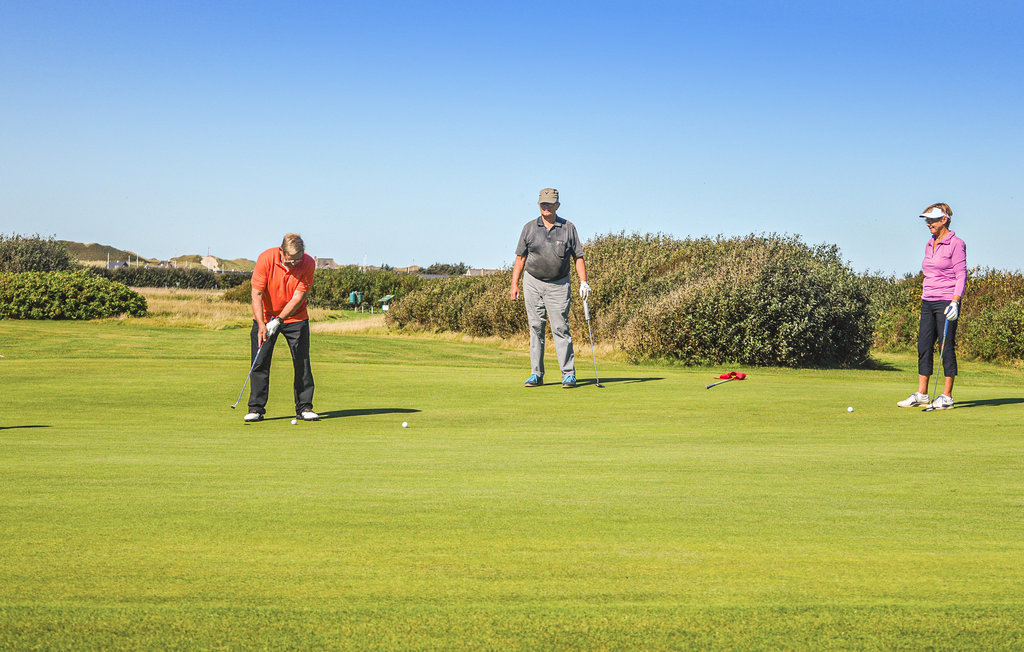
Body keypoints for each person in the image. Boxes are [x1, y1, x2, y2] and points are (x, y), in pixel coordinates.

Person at [510, 188, 591, 388]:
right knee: (536, 327)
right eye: (542, 204)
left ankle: (568, 374)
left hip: (559, 283)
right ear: (539, 205)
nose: (545, 207)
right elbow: (520, 258)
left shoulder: (568, 227)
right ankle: (536, 374)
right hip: (533, 282)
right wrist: (514, 284)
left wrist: (583, 282)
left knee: (560, 328)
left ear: (557, 206)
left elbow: (578, 257)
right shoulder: (529, 228)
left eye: (549, 204)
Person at [897, 203, 966, 410]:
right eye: (927, 220)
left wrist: (955, 300)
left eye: (932, 220)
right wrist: (923, 299)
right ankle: (922, 394)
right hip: (928, 301)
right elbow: (929, 274)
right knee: (924, 346)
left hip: (947, 302)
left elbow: (961, 274)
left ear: (944, 220)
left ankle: (947, 396)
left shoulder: (957, 243)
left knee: (946, 347)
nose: (928, 224)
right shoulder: (929, 243)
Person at [243, 233, 319, 422]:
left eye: (298, 260)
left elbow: (298, 296)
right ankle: (256, 408)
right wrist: (262, 324)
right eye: (291, 260)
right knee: (260, 361)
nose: (294, 264)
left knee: (301, 362)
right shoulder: (266, 259)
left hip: (296, 318)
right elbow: (257, 293)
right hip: (265, 316)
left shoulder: (308, 263)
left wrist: (279, 320)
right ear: (281, 252)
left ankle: (304, 407)